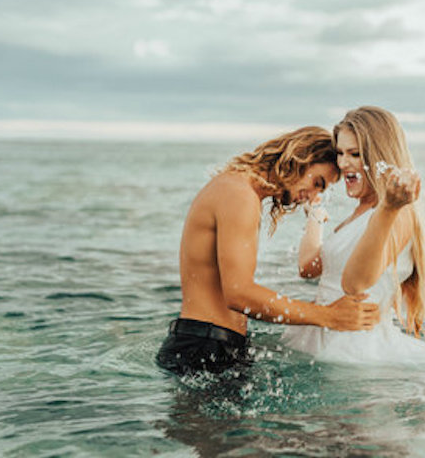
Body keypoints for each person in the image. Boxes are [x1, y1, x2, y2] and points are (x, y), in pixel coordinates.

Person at [156, 126, 381, 375]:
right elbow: (238, 294)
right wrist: (328, 316)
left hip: (209, 344)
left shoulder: (236, 188)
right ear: (300, 157)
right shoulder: (239, 195)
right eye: (317, 183)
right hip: (203, 349)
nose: (312, 196)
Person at [282, 107, 425, 362]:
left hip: (354, 349)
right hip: (319, 335)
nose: (343, 163)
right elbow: (309, 268)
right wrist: (315, 213)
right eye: (340, 153)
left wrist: (388, 207)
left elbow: (354, 284)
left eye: (354, 154)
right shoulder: (360, 213)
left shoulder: (397, 212)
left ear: (379, 155)